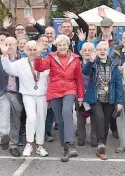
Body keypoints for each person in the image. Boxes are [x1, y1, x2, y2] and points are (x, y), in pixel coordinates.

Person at [34, 34, 84, 162]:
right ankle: (66, 149)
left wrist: (80, 96)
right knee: (60, 122)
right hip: (55, 91)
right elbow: (39, 67)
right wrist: (38, 55)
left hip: (69, 89)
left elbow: (79, 78)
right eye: (60, 45)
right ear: (56, 46)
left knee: (67, 111)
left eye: (64, 45)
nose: (62, 47)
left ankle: (71, 143)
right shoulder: (51, 57)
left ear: (68, 46)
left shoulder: (75, 58)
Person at [1, 40, 50, 157]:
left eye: (35, 49)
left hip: (43, 94)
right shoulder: (21, 63)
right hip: (28, 94)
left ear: (39, 50)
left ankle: (40, 145)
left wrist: (50, 97)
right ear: (26, 51)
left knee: (41, 119)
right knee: (31, 117)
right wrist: (4, 55)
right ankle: (29, 144)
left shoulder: (45, 62)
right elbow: (8, 69)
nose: (32, 52)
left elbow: (50, 79)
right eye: (30, 50)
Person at [83, 41, 124, 160]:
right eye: (99, 49)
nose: (102, 51)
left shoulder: (114, 64)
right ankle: (100, 143)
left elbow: (118, 84)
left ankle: (101, 147)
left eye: (104, 49)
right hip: (96, 98)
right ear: (96, 51)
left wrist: (120, 102)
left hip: (109, 99)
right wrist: (90, 61)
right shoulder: (93, 63)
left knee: (106, 124)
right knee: (100, 118)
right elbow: (85, 72)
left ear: (108, 51)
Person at [0, 37, 23, 157]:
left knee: (15, 119)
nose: (9, 46)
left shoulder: (22, 59)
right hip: (3, 92)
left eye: (12, 44)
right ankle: (4, 136)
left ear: (17, 45)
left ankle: (13, 145)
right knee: (4, 109)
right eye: (6, 44)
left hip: (17, 93)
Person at [76, 42, 97, 147]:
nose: (87, 52)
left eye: (90, 50)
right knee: (80, 119)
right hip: (80, 96)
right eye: (85, 50)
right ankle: (81, 138)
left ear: (94, 52)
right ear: (81, 52)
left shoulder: (97, 64)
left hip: (93, 96)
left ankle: (94, 139)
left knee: (94, 119)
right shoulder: (77, 64)